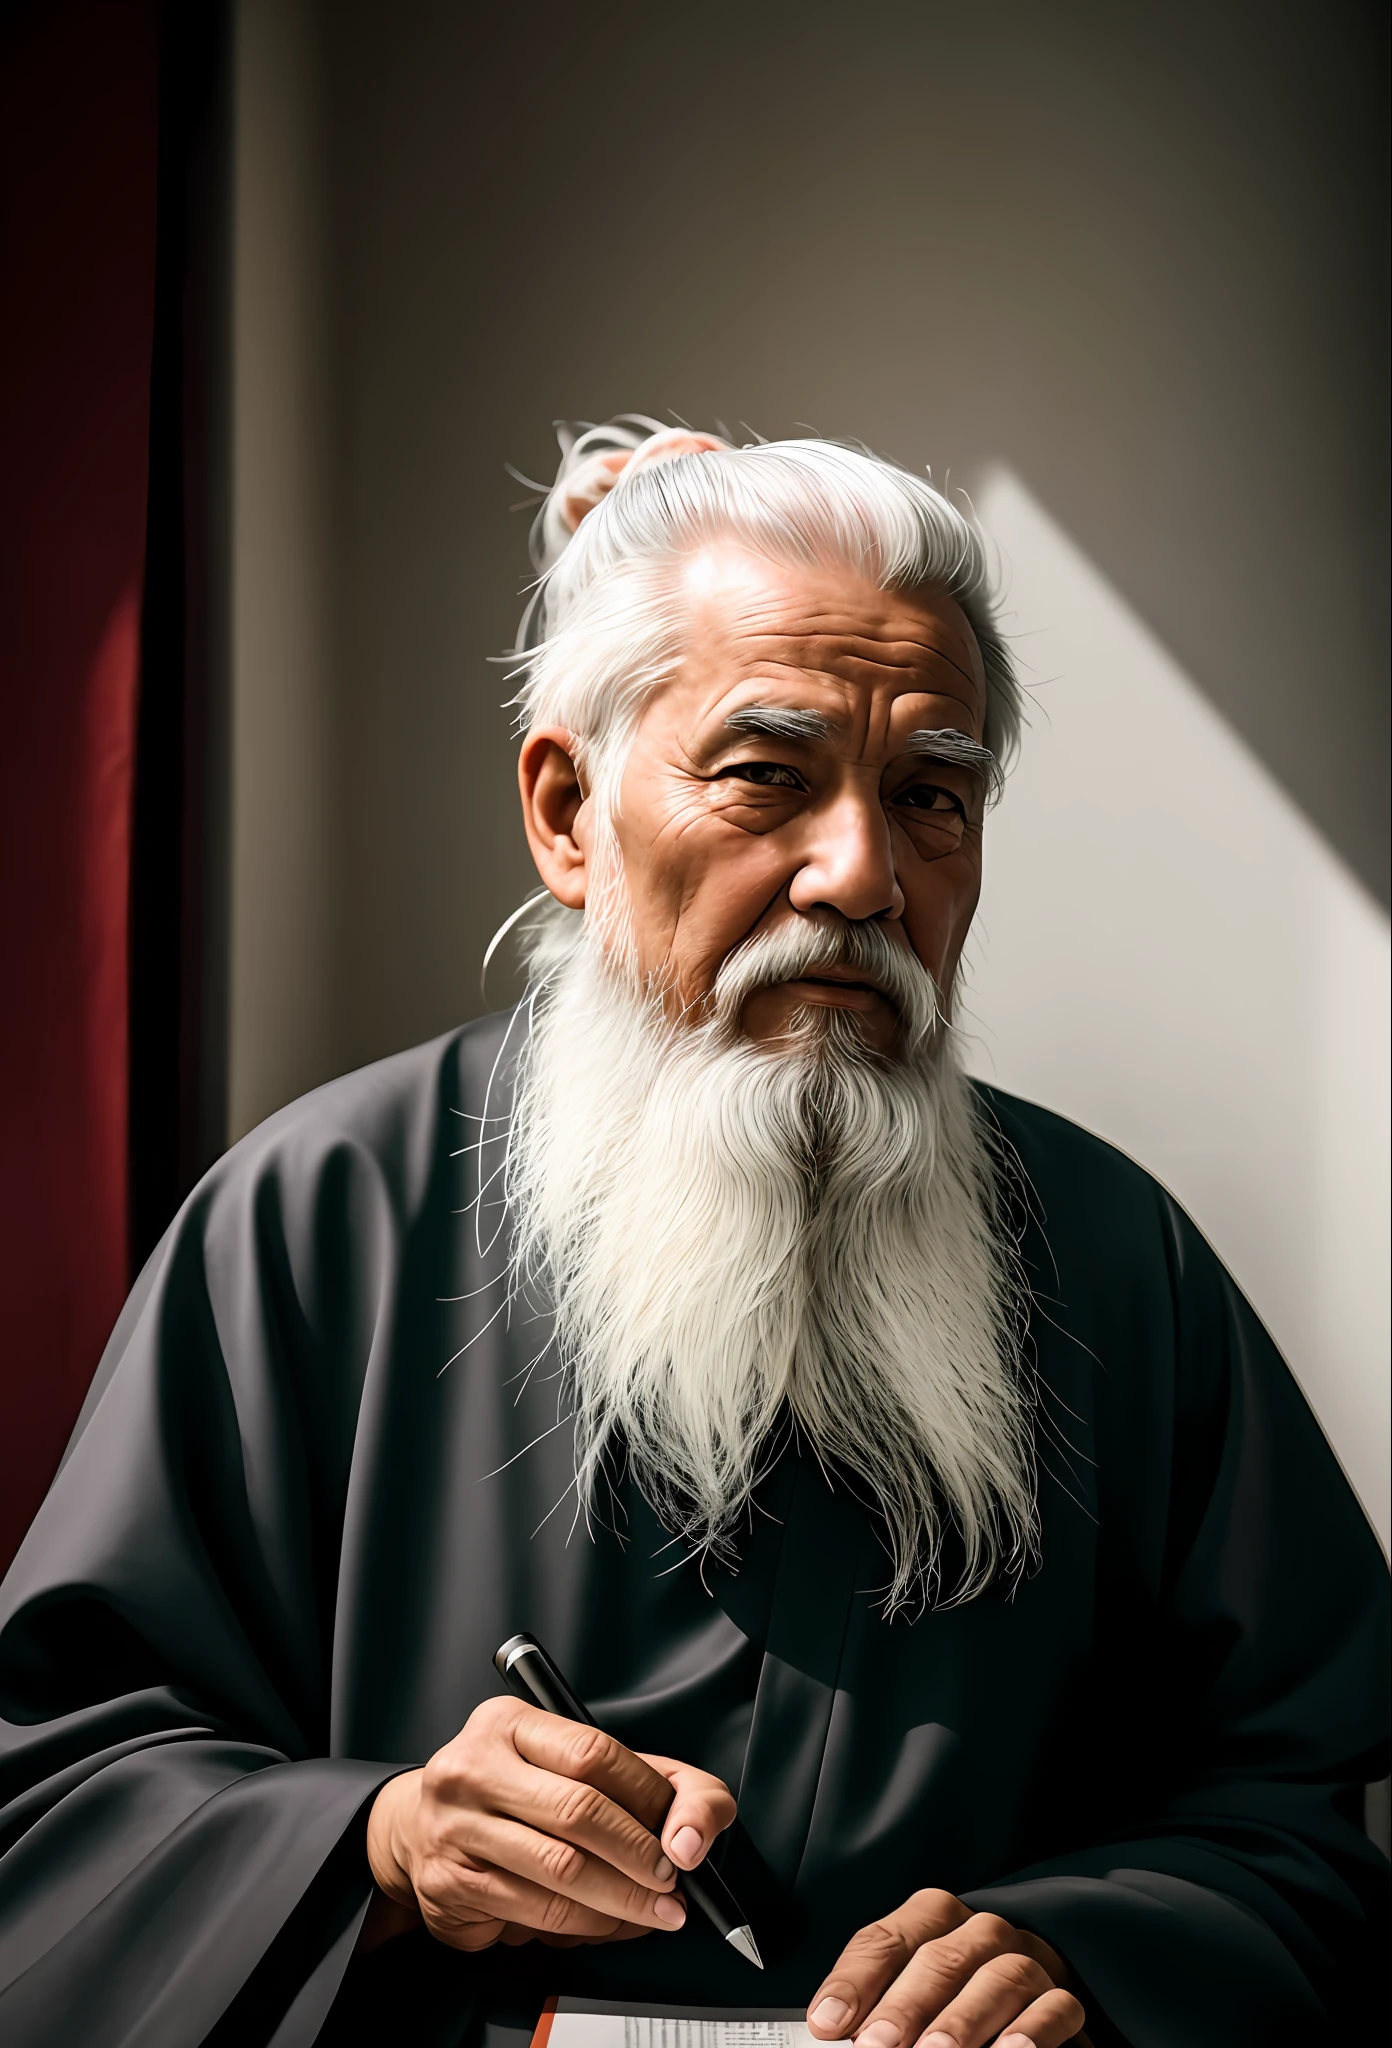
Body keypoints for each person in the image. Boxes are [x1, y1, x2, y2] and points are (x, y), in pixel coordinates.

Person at [0, 420, 1385, 2048]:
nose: (861, 872)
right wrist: (379, 1846)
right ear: (569, 810)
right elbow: (58, 1808)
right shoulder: (320, 1222)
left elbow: (1299, 1836)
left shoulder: (1115, 1264)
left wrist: (1096, 1952)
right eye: (765, 776)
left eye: (932, 794)